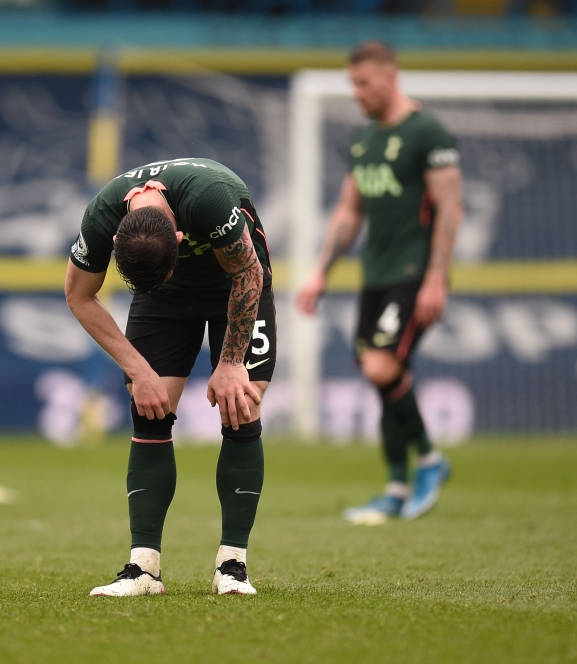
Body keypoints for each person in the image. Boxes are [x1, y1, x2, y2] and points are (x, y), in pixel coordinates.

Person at [65, 158, 275, 596]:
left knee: (241, 405)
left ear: (179, 238)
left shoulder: (209, 198)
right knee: (150, 409)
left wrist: (232, 362)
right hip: (163, 294)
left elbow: (249, 273)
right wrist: (139, 371)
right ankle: (143, 569)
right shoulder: (102, 216)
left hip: (235, 282)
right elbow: (79, 295)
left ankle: (232, 566)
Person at [296, 40, 464, 524]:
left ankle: (430, 461)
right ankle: (394, 488)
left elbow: (451, 208)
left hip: (414, 274)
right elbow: (349, 211)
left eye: (363, 83)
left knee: (381, 367)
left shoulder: (427, 132)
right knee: (386, 375)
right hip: (377, 275)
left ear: (390, 77)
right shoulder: (363, 140)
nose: (357, 93)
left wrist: (436, 280)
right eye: (352, 84)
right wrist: (320, 273)